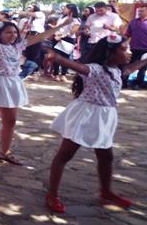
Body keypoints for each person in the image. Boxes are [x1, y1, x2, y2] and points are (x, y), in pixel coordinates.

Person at [45, 34, 147, 213]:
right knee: (64, 155)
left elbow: (129, 70)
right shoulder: (96, 69)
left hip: (105, 117)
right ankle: (52, 195)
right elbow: (78, 67)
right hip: (86, 115)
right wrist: (59, 58)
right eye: (124, 49)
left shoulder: (116, 70)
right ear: (110, 52)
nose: (129, 52)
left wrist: (145, 60)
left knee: (106, 157)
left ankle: (106, 191)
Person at [0, 13, 70, 166]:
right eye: (8, 32)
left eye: (15, 32)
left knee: (11, 121)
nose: (13, 35)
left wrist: (61, 26)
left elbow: (40, 36)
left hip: (12, 83)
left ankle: (5, 152)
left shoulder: (18, 46)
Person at [51, 4, 81, 81]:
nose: (64, 9)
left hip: (68, 39)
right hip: (57, 37)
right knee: (56, 56)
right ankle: (56, 74)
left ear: (71, 10)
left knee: (65, 57)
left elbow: (73, 30)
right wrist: (56, 33)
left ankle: (63, 74)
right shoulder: (61, 17)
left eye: (65, 8)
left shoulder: (76, 19)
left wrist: (62, 36)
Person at [125, 5, 147, 88]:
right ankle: (124, 83)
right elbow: (128, 34)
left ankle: (138, 84)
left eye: (142, 11)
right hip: (133, 48)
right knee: (128, 66)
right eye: (139, 11)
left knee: (142, 68)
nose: (139, 13)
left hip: (145, 50)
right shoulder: (133, 22)